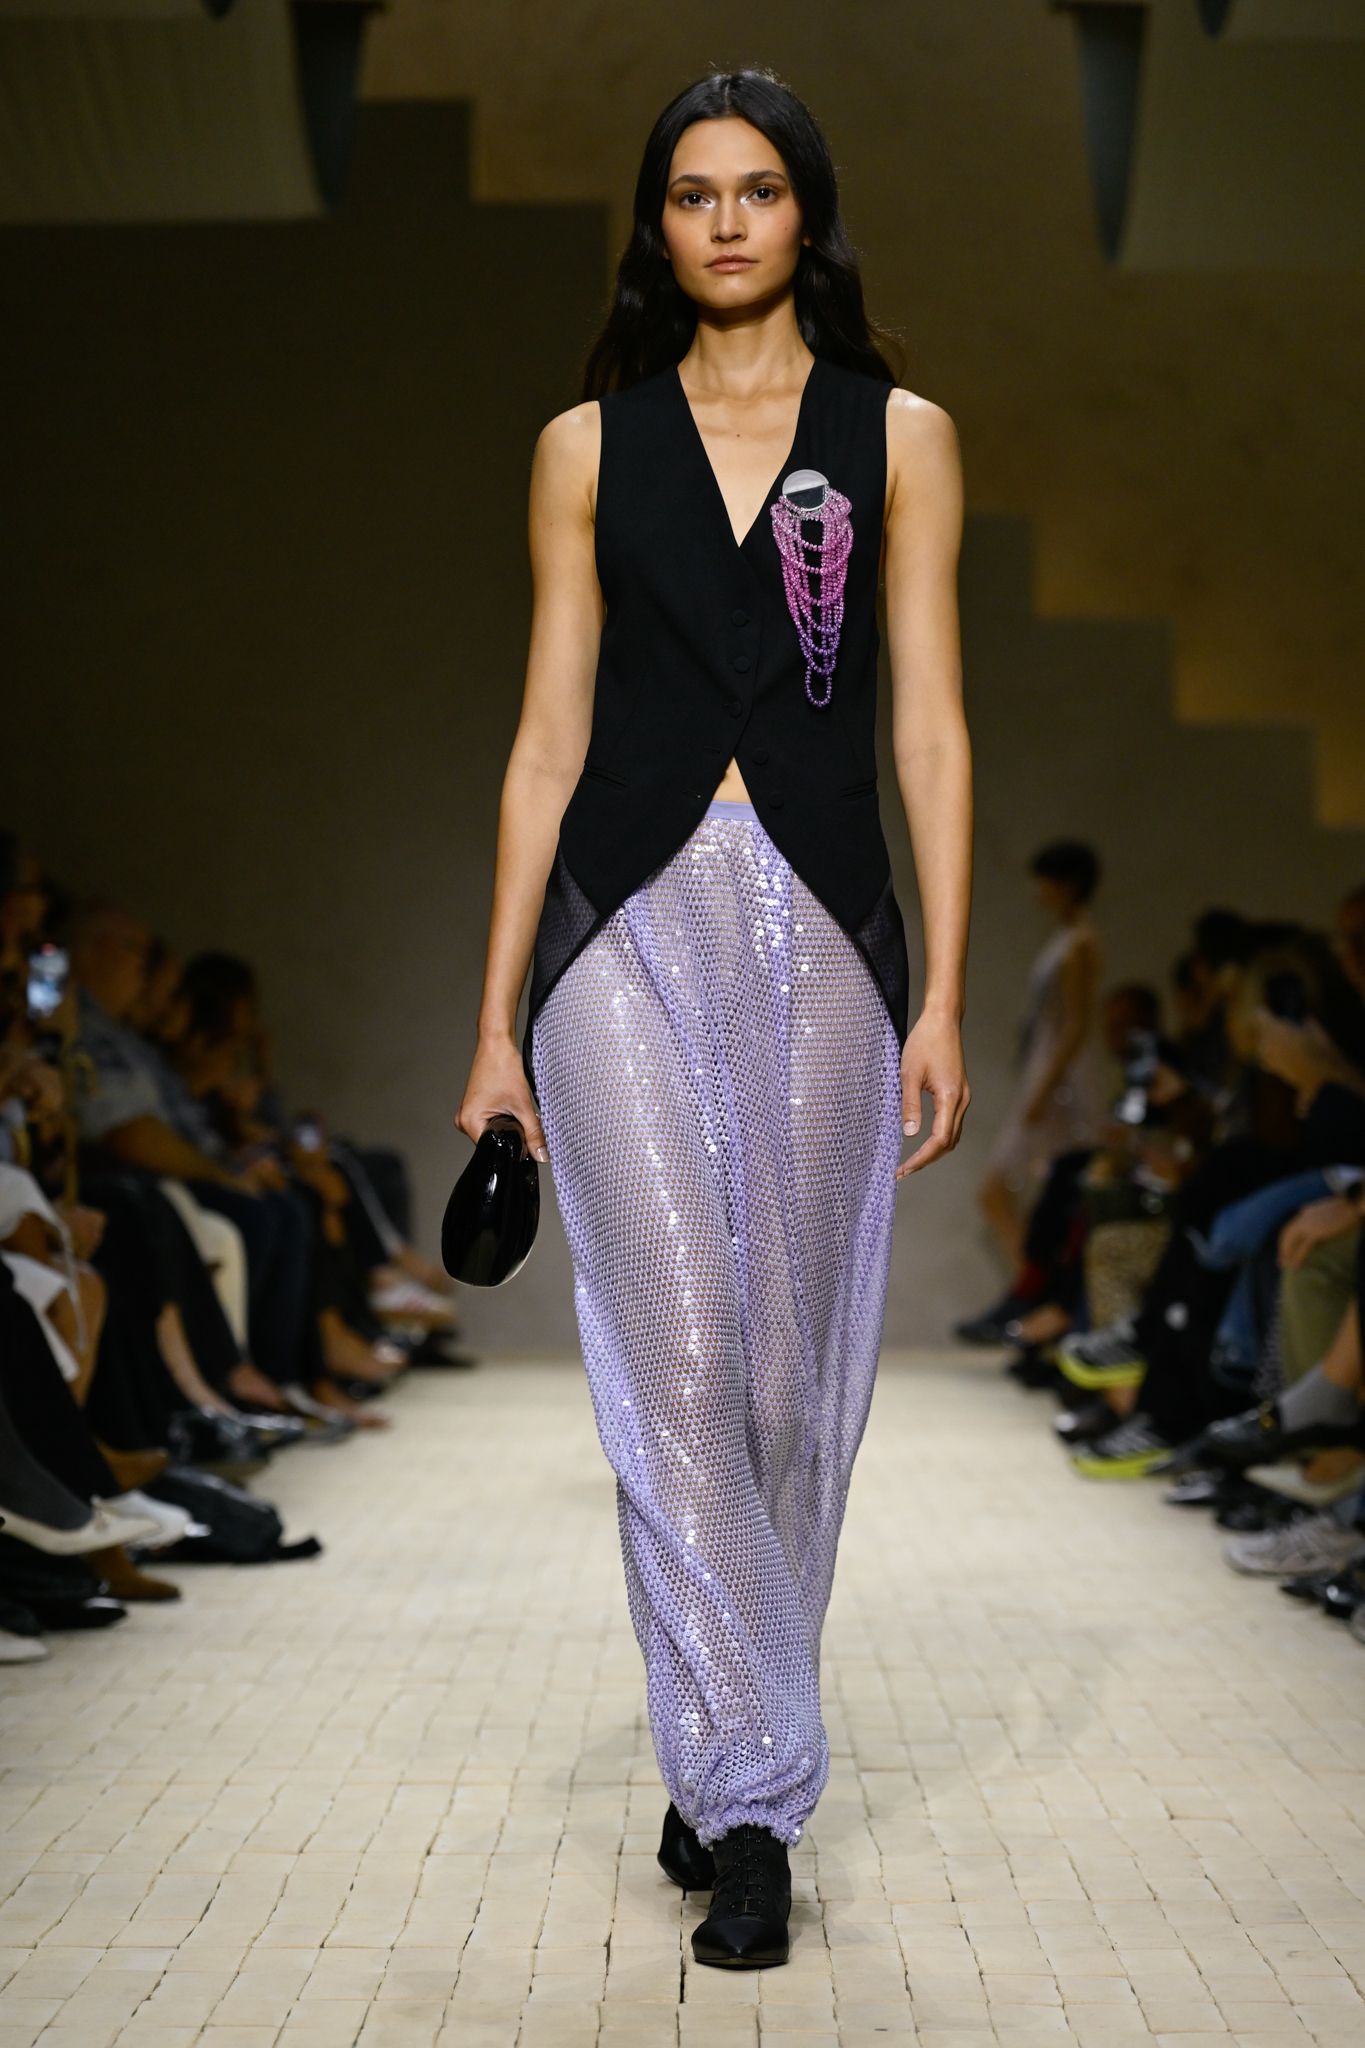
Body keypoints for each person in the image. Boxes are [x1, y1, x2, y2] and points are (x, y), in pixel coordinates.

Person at [455, 67, 972, 1970]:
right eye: (694, 194)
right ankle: (751, 1798)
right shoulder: (584, 447)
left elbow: (929, 725)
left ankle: (720, 1729)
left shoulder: (898, 433)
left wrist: (948, 990)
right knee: (674, 1356)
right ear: (656, 225)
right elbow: (544, 739)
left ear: (806, 213)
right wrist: (494, 1016)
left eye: (759, 189)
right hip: (619, 923)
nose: (728, 222)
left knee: (782, 1382)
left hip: (826, 920)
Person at [977, 839, 1107, 1270]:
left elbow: (1076, 1023)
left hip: (1059, 1081)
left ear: (1067, 884)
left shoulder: (1079, 943)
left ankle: (1034, 1285)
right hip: (1048, 1072)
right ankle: (1035, 1283)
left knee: (1011, 1188)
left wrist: (1044, 1088)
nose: (1039, 891)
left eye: (1046, 881)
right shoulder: (1067, 939)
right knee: (1033, 1191)